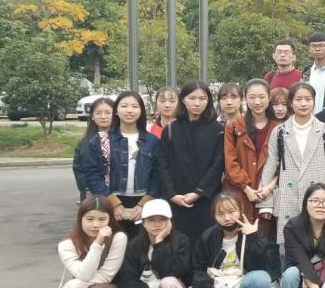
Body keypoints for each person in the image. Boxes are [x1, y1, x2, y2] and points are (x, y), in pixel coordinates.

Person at [257, 82, 325, 252]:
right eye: (298, 99)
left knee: (319, 249)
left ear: (314, 102)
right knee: (289, 250)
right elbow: (271, 164)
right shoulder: (280, 131)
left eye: (308, 99)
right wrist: (266, 203)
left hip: (319, 198)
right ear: (291, 103)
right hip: (288, 196)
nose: (303, 104)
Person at [175, 192, 274, 288]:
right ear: (214, 216)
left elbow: (262, 265)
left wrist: (253, 238)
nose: (227, 218)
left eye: (232, 211)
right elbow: (196, 270)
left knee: (261, 278)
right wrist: (207, 287)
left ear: (241, 210)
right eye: (220, 214)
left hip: (240, 286)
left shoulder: (253, 232)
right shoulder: (207, 237)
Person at [115, 198, 192, 288]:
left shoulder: (181, 241)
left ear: (170, 222)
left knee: (168, 282)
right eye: (151, 220)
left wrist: (160, 242)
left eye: (162, 220)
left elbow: (173, 272)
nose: (157, 224)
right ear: (143, 223)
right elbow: (128, 281)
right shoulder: (134, 245)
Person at [82, 91, 162, 233]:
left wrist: (143, 204)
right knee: (113, 243)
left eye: (134, 106)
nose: (129, 110)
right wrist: (114, 204)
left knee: (141, 244)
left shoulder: (152, 140)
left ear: (141, 111)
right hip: (109, 202)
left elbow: (158, 175)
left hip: (143, 203)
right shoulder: (100, 140)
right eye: (124, 106)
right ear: (116, 111)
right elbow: (92, 174)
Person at [54, 197, 126, 288]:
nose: (95, 224)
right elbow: (84, 274)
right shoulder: (66, 245)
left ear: (110, 219)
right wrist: (97, 244)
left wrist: (72, 285)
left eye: (102, 219)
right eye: (89, 219)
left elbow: (106, 276)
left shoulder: (118, 238)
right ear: (80, 219)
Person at [158, 81, 225, 243]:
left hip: (206, 199)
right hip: (177, 198)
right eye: (192, 98)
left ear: (208, 101)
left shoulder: (217, 129)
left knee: (206, 243)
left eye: (202, 98)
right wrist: (172, 194)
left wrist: (198, 193)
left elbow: (218, 164)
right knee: (177, 243)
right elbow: (162, 164)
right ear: (183, 99)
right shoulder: (171, 129)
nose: (197, 103)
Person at [223, 79, 278, 225]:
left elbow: (282, 164)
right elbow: (230, 163)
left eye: (262, 97)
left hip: (268, 196)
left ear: (269, 98)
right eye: (252, 97)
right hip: (239, 194)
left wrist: (269, 187)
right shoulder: (233, 127)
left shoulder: (279, 128)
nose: (257, 102)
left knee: (264, 235)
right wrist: (246, 188)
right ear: (245, 99)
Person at [73, 97, 113, 201]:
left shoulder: (122, 139)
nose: (103, 116)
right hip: (93, 196)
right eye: (98, 113)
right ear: (92, 116)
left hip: (118, 195)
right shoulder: (84, 142)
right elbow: (79, 171)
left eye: (108, 113)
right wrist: (88, 190)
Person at [304, 31, 325, 113]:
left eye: (321, 45)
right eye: (314, 46)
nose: (317, 49)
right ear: (309, 49)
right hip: (309, 117)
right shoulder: (306, 72)